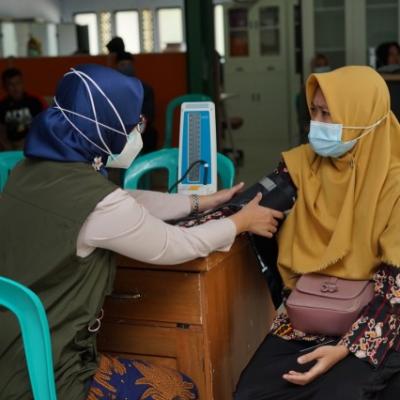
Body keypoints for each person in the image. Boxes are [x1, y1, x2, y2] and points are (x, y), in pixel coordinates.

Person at [0, 64, 283, 400]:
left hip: (9, 355)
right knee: (181, 389)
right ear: (105, 126)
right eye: (132, 124)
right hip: (49, 376)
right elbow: (174, 244)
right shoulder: (99, 203)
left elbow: (123, 201)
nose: (137, 132)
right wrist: (240, 222)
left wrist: (200, 202)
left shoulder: (29, 171)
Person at [234, 66, 400, 399]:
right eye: (315, 111)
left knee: (338, 392)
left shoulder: (394, 182)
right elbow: (249, 204)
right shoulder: (303, 165)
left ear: (363, 116)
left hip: (381, 319)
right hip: (311, 314)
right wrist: (201, 213)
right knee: (252, 390)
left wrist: (345, 348)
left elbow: (395, 288)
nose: (318, 124)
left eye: (329, 114)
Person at [115, 51, 158, 153]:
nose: (126, 68)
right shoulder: (109, 89)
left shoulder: (145, 89)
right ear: (117, 67)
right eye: (122, 65)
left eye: (129, 65)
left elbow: (148, 115)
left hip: (138, 128)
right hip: (115, 129)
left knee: (150, 134)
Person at [0, 67, 47, 150]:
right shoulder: (2, 105)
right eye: (11, 84)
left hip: (33, 143)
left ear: (22, 83)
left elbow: (46, 125)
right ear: (5, 87)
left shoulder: (35, 102)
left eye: (18, 83)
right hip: (10, 146)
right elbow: (1, 133)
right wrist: (9, 149)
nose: (15, 88)